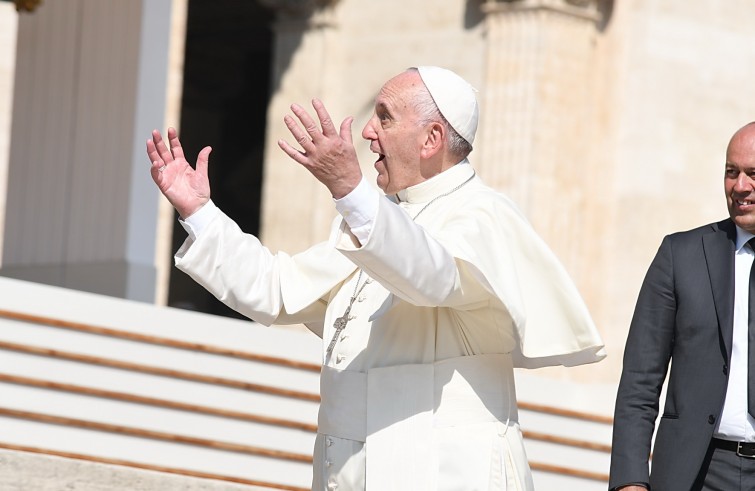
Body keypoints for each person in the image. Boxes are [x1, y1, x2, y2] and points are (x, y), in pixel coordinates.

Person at [147, 66, 605, 491]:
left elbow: (432, 275)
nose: (368, 131)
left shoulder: (482, 215)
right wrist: (199, 213)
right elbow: (276, 291)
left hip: (447, 473)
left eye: (383, 118)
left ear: (431, 139)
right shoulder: (378, 219)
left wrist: (350, 190)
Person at [610, 122, 755, 491]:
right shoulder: (681, 256)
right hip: (698, 473)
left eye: (753, 174)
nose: (740, 187)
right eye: (731, 172)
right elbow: (640, 380)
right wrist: (630, 480)